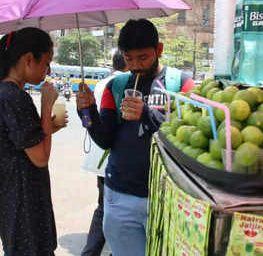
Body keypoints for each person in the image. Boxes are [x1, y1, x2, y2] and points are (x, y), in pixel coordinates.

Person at [76, 19, 194, 256]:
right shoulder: (115, 87)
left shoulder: (182, 84)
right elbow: (104, 139)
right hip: (120, 198)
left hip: (167, 198)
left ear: (159, 50)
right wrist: (86, 112)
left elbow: (189, 141)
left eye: (143, 57)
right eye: (129, 59)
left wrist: (147, 114)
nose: (136, 66)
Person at [0, 27, 67, 256]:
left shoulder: (2, 91)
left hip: (12, 199)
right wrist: (46, 107)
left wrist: (48, 125)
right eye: (46, 63)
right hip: (24, 203)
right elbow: (40, 158)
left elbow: (20, 142)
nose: (47, 71)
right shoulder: (14, 97)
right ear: (28, 59)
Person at [80, 50, 128, 256]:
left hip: (99, 158)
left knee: (105, 206)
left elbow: (87, 122)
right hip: (110, 158)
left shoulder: (100, 84)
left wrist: (84, 114)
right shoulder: (122, 85)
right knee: (108, 208)